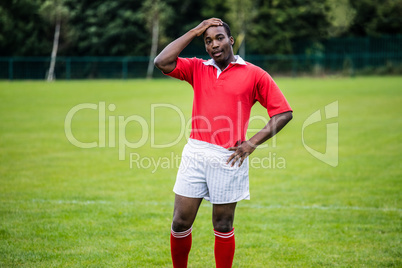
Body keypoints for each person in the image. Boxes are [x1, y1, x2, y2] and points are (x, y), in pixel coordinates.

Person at [154, 18, 293, 268]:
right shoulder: (198, 68)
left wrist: (251, 144)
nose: (213, 44)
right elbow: (162, 62)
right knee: (180, 222)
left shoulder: (254, 73)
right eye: (207, 41)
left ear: (230, 40)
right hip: (196, 151)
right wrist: (195, 30)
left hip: (229, 156)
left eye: (219, 38)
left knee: (223, 225)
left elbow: (283, 112)